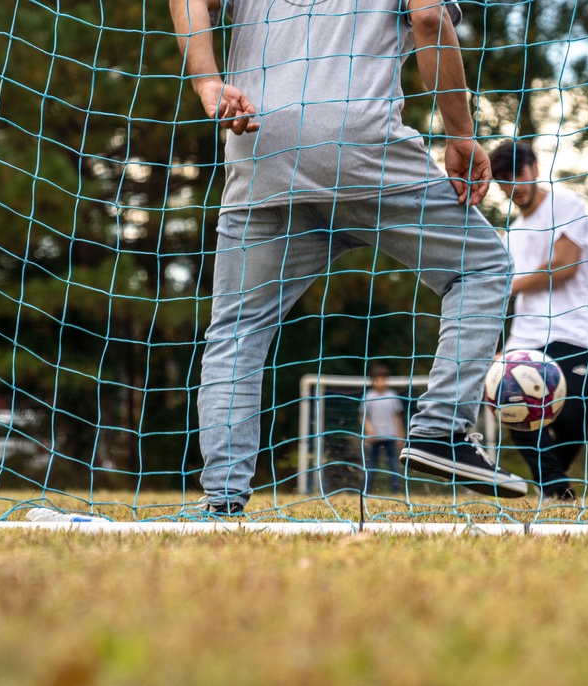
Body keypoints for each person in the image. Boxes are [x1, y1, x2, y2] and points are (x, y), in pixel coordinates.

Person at [171, 0, 528, 514]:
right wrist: (461, 136)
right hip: (359, 146)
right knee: (483, 267)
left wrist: (207, 81)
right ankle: (440, 430)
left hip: (259, 146)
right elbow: (430, 18)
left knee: (237, 331)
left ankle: (223, 498)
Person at [487, 140, 588, 503]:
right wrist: (499, 349)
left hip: (575, 332)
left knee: (572, 420)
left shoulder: (567, 205)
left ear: (535, 169)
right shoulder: (511, 232)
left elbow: (565, 267)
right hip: (525, 337)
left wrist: (510, 286)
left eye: (519, 174)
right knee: (512, 408)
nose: (515, 186)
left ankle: (552, 485)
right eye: (504, 179)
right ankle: (556, 489)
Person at [360, 365, 405, 494]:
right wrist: (369, 431)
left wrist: (400, 435)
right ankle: (367, 490)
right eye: (378, 379)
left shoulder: (392, 396)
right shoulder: (368, 396)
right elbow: (363, 416)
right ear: (373, 381)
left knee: (393, 465)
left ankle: (395, 491)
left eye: (383, 379)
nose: (381, 382)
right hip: (374, 438)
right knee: (372, 465)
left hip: (390, 436)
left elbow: (397, 417)